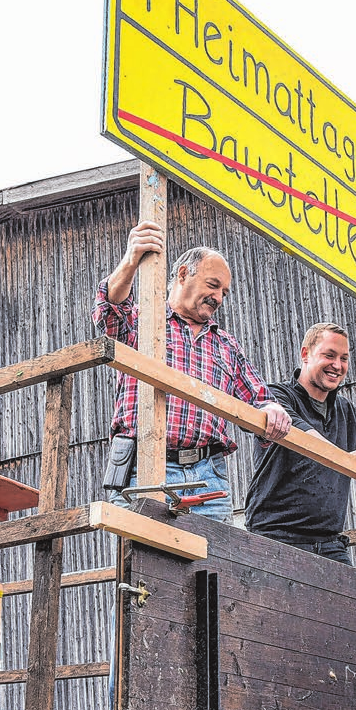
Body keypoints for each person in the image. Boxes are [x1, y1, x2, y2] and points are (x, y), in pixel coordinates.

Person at [93, 220, 292, 522]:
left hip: (207, 475)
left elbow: (259, 398)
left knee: (211, 567)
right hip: (145, 466)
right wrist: (131, 260)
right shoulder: (143, 320)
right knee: (145, 566)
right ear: (184, 274)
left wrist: (273, 408)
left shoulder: (225, 344)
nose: (219, 298)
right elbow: (109, 309)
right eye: (213, 285)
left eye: (224, 292)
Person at [243, 322, 356, 564]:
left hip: (329, 542)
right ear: (305, 354)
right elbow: (303, 436)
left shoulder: (344, 410)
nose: (337, 365)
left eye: (344, 358)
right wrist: (348, 459)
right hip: (275, 536)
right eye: (329, 355)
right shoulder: (277, 397)